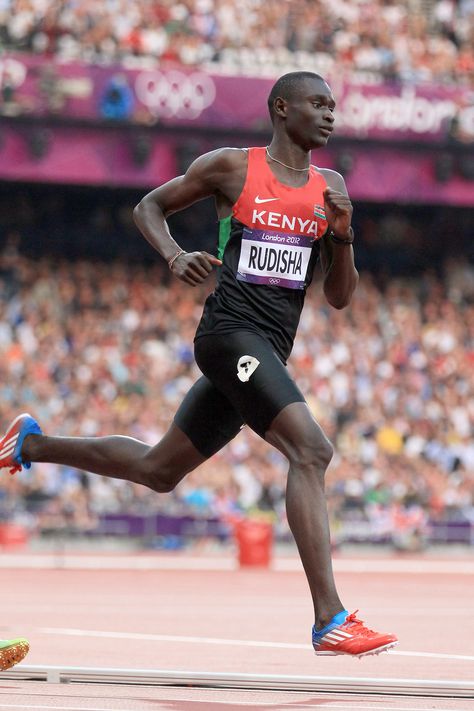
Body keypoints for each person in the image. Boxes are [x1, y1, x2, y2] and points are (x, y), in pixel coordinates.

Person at [0, 71, 397, 658]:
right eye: (319, 103)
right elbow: (149, 206)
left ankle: (29, 446)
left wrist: (342, 235)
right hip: (228, 336)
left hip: (266, 349)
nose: (330, 114)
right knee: (311, 450)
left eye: (334, 105)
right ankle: (329, 619)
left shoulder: (330, 186)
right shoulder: (233, 167)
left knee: (159, 470)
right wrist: (174, 254)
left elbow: (339, 296)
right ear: (282, 109)